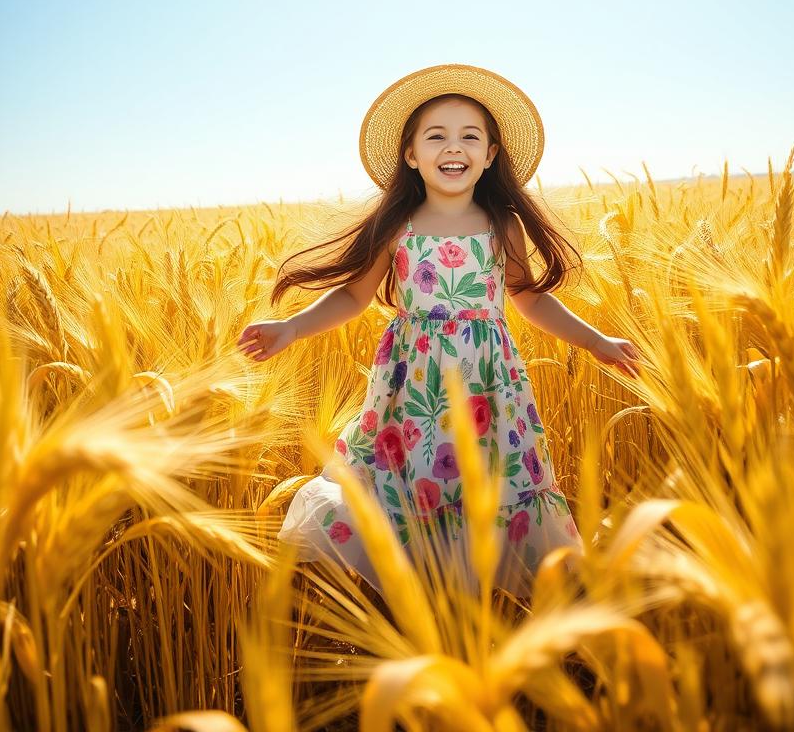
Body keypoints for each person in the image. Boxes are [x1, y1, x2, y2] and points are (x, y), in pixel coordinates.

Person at [237, 63, 642, 599]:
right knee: (413, 487)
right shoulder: (396, 225)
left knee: (487, 490)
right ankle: (420, 608)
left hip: (487, 387)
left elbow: (528, 297)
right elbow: (355, 295)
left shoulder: (502, 224)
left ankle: (474, 615)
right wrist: (292, 327)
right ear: (410, 154)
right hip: (413, 386)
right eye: (437, 136)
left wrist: (596, 341)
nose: (455, 147)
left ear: (491, 154)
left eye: (470, 136)